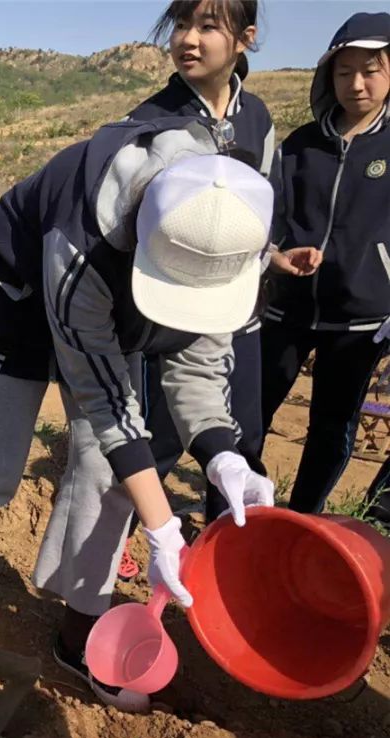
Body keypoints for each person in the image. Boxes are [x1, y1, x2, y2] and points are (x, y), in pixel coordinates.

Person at [0, 116, 276, 711]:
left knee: (107, 474)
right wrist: (163, 528)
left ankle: (81, 633)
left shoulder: (229, 230)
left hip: (119, 306)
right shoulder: (84, 243)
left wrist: (224, 453)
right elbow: (106, 403)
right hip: (16, 299)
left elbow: (198, 365)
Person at [127, 0, 275, 524]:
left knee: (241, 437)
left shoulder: (257, 118)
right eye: (182, 24)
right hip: (173, 309)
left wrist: (273, 255)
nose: (188, 38)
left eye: (207, 26)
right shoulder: (152, 126)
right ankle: (125, 538)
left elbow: (260, 207)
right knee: (159, 438)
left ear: (244, 38)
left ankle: (225, 542)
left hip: (241, 308)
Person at [260, 11, 390, 513]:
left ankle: (301, 521)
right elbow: (268, 222)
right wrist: (276, 257)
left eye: (371, 70)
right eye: (343, 71)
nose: (356, 84)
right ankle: (233, 515)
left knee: (332, 426)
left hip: (360, 319)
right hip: (286, 308)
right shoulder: (300, 146)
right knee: (249, 414)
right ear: (327, 76)